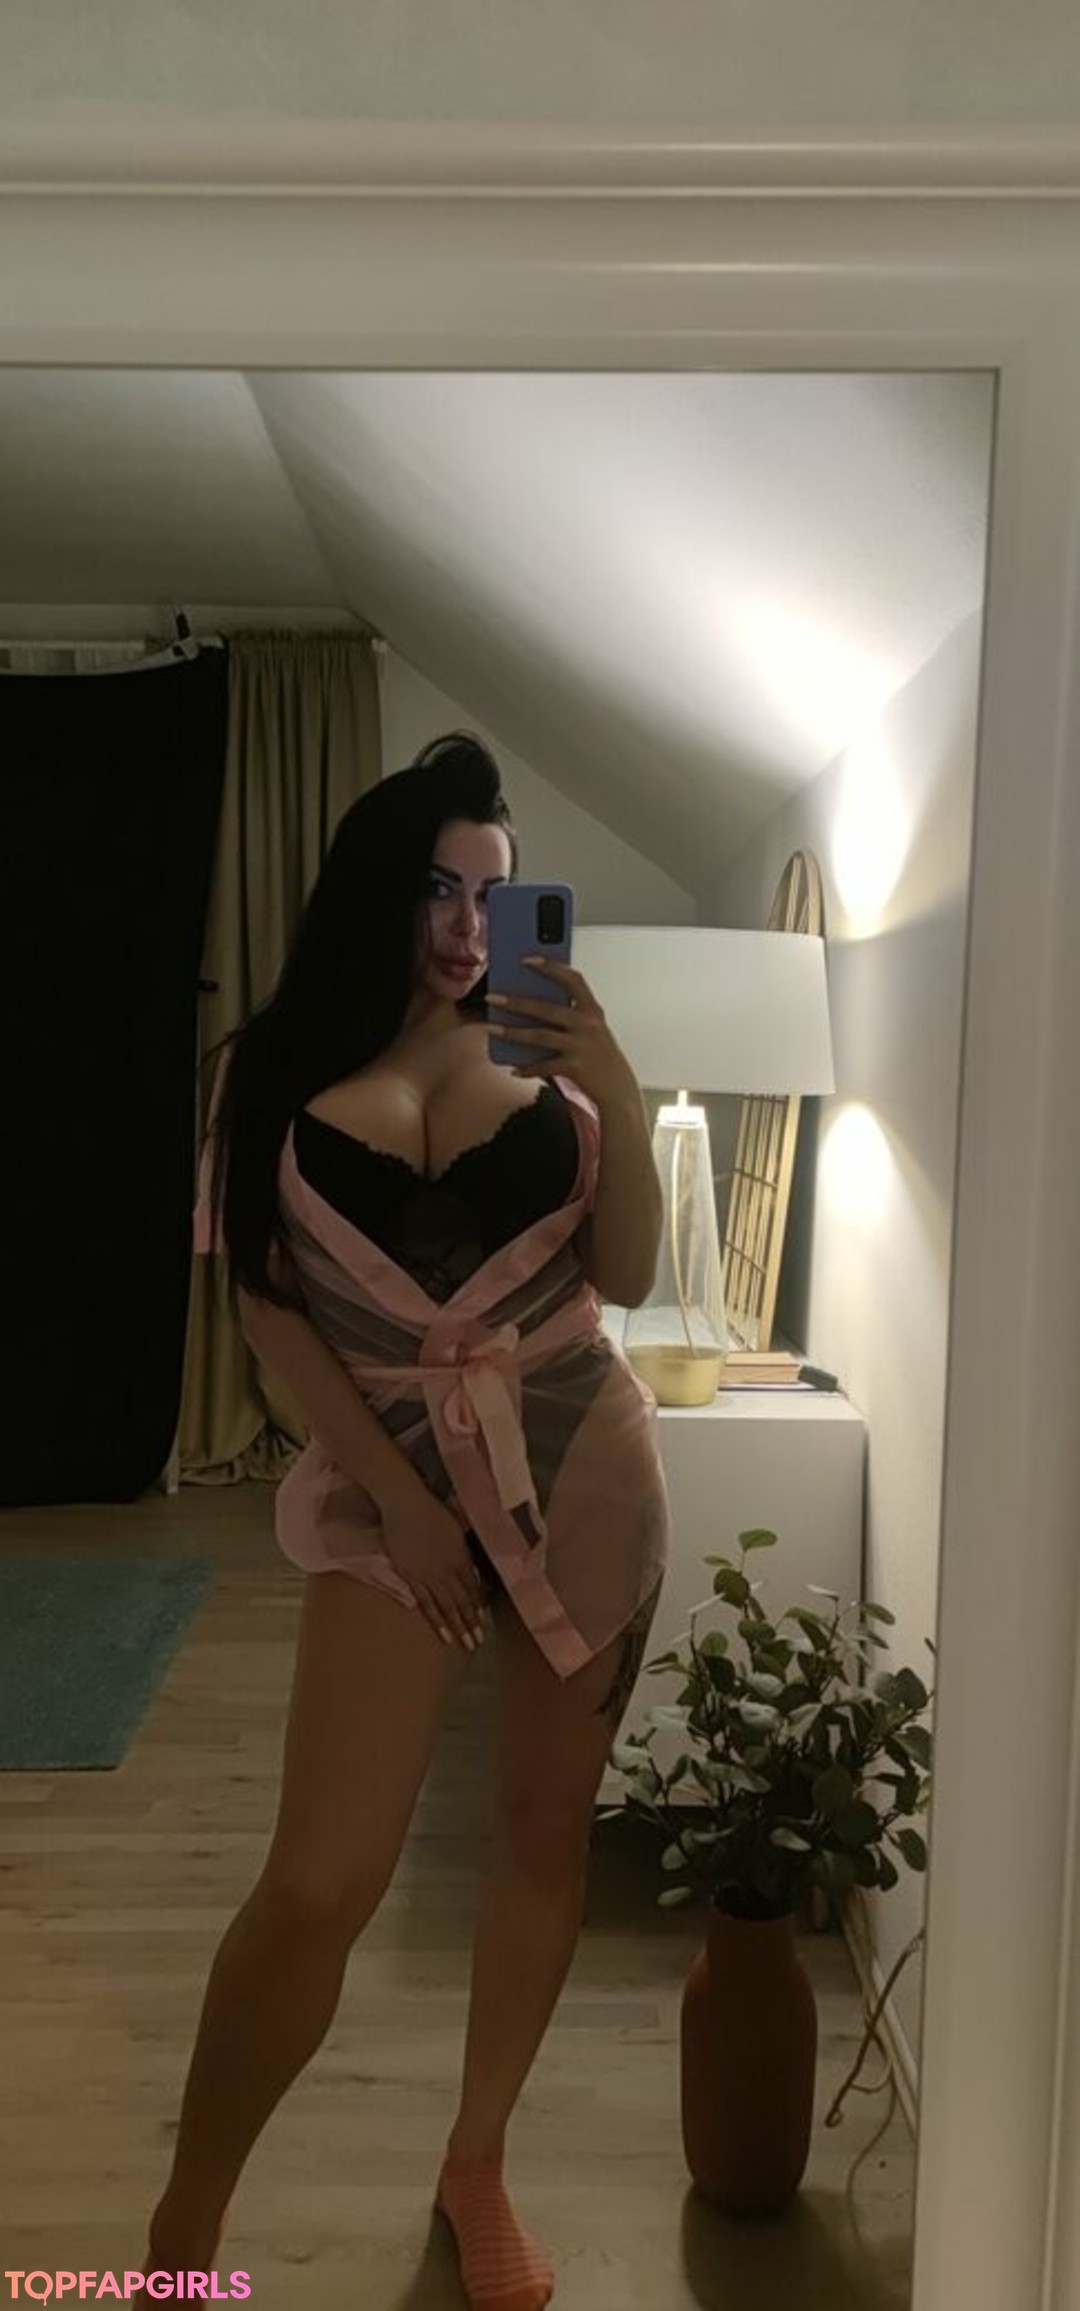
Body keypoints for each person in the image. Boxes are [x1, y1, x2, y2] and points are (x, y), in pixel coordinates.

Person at [143, 732, 671, 2309]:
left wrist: (618, 1082)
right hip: (392, 1497)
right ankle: (183, 2231)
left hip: (582, 1474)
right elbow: (268, 1306)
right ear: (379, 892)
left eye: (494, 897)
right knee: (320, 1881)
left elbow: (629, 1276)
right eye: (438, 889)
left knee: (540, 1837)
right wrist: (395, 1501)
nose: (464, 926)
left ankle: (477, 2162)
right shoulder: (266, 1073)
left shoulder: (560, 1072)